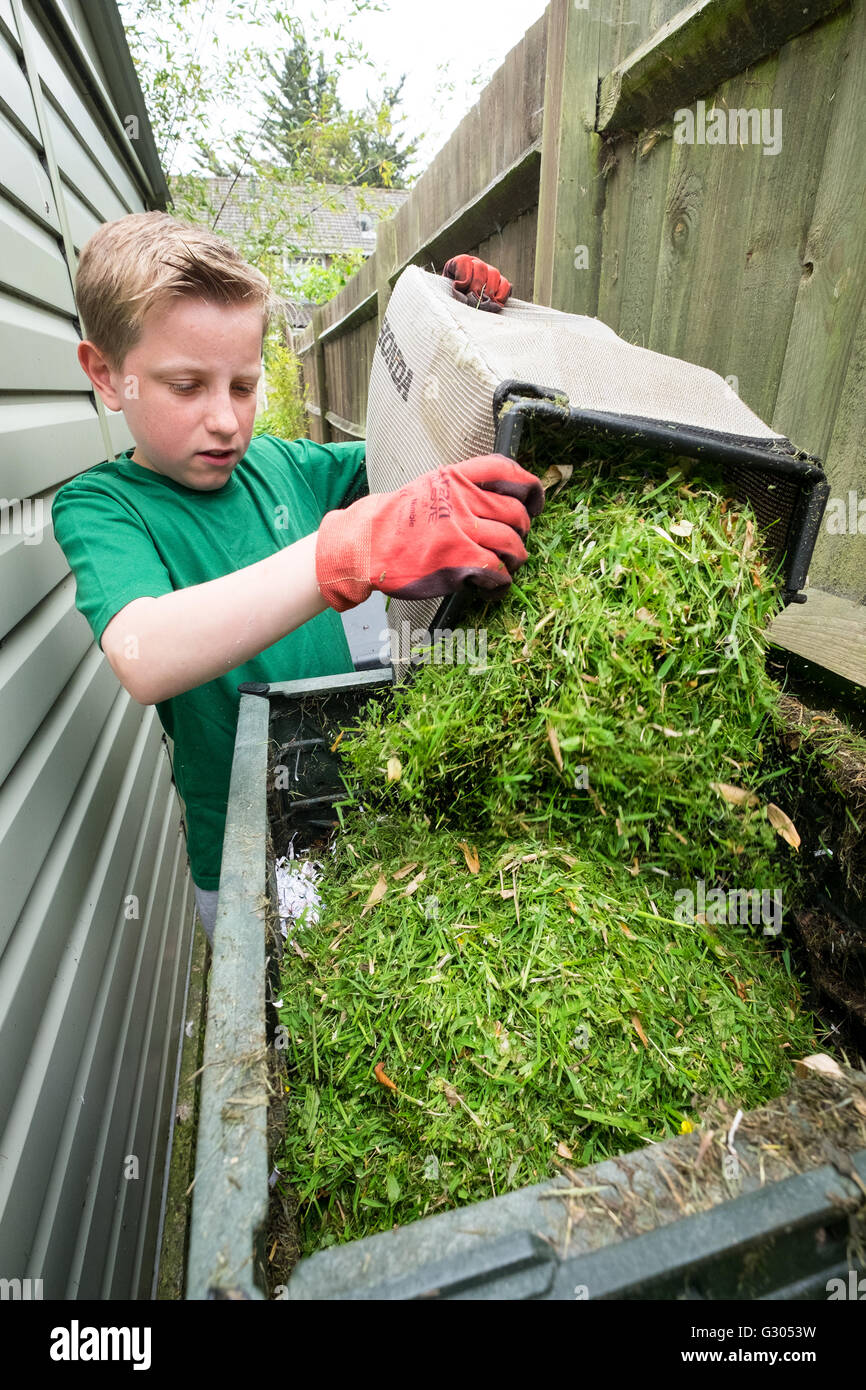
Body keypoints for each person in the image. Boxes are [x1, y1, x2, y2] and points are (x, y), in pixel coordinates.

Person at [51, 213, 543, 946]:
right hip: (252, 847)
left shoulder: (281, 465)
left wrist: (460, 341)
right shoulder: (102, 508)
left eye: (243, 386)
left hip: (360, 794)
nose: (225, 420)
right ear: (105, 375)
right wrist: (340, 554)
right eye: (186, 385)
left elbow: (417, 460)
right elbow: (145, 653)